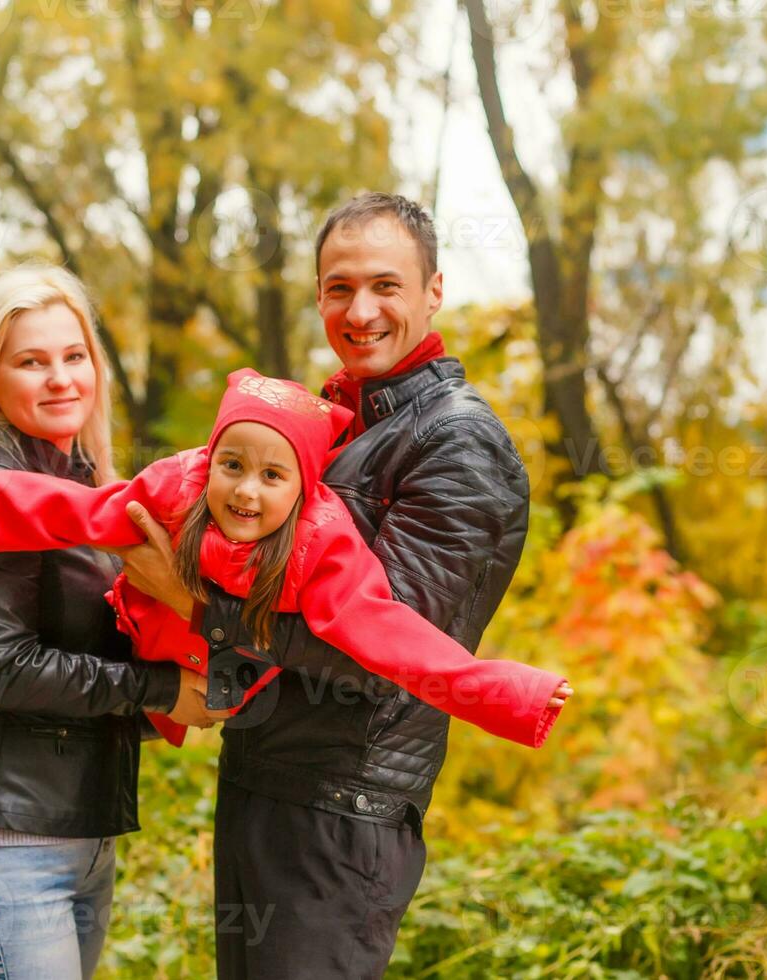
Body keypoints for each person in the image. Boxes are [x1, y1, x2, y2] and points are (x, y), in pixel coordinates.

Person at [113, 193, 560, 978]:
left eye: (386, 286)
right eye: (338, 288)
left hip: (342, 812)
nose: (360, 310)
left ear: (432, 293)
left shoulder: (455, 444)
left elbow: (376, 648)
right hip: (273, 785)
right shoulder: (335, 427)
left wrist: (189, 598)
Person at [0, 369, 570, 748]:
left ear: (303, 488)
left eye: (272, 476)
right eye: (232, 465)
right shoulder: (177, 488)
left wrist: (510, 693)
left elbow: (396, 640)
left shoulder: (321, 544)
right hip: (142, 646)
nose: (245, 491)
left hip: (223, 678)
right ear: (210, 460)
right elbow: (38, 508)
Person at [0, 265, 216, 980]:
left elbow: (89, 660)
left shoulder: (78, 486)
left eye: (73, 356)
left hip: (77, 836)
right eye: (31, 361)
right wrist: (165, 690)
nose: (60, 379)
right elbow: (4, 672)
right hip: (4, 844)